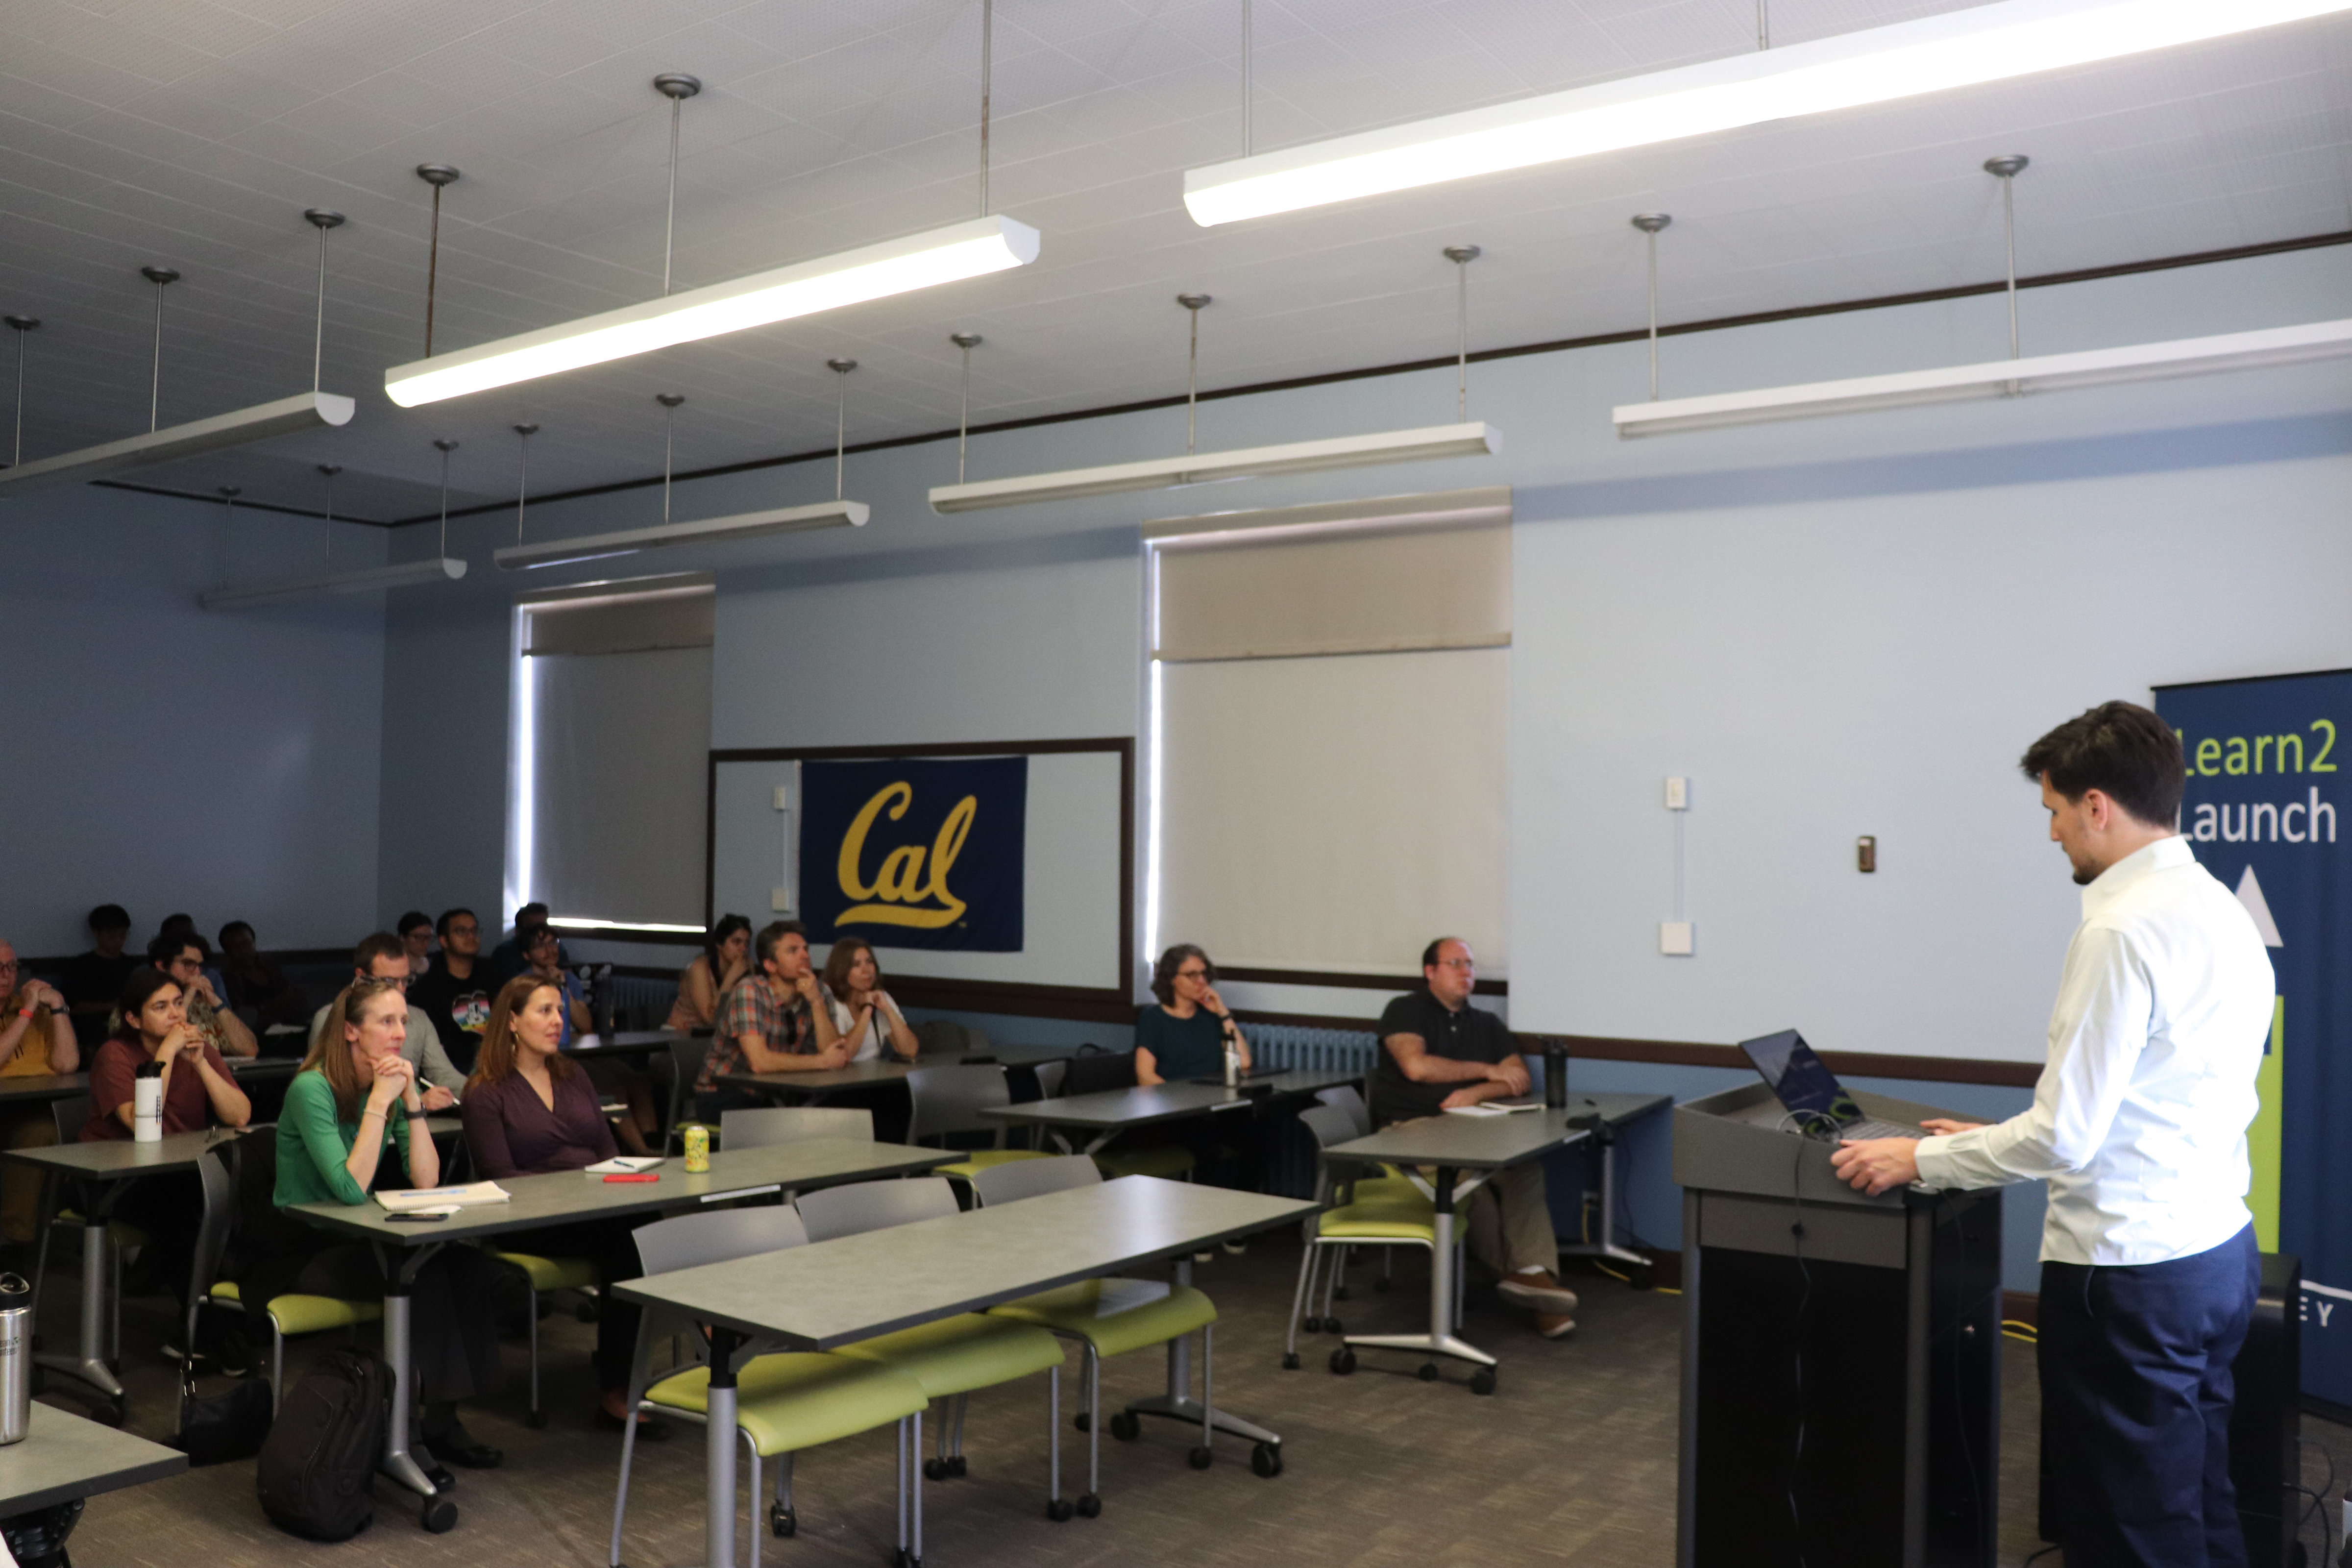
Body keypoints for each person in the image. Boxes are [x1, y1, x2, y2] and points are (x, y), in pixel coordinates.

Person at [1832, 702, 2274, 1568]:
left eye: (2056, 811)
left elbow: (2068, 1137)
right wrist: (2004, 1135)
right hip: (2217, 1256)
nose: (2053, 833)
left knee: (2131, 1526)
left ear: (2097, 806)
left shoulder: (2118, 930)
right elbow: (2149, 1098)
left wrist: (1921, 1158)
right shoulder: (2218, 907)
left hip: (2129, 1276)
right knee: (2197, 1495)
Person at [251, 979, 504, 1472]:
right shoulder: (312, 1088)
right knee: (420, 1277)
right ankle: (405, 1438)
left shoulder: (386, 1082)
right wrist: (379, 1102)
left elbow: (426, 1179)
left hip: (361, 1234)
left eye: (403, 1021)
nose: (400, 1033)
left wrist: (410, 1098)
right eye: (387, 1021)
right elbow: (349, 1187)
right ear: (351, 1030)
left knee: (465, 1264)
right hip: (302, 1246)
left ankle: (443, 1420)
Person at [462, 976, 658, 1435]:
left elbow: (607, 1151)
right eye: (544, 1011)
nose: (557, 1022)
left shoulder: (574, 1075)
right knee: (632, 1239)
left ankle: (653, 1360)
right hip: (529, 1218)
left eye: (560, 1011)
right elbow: (499, 1177)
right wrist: (579, 1190)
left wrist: (619, 1180)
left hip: (594, 1209)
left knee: (647, 1228)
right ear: (512, 1021)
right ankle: (618, 1389)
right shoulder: (486, 1091)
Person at [1374, 937, 1578, 1338]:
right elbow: (1417, 1068)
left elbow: (1518, 1078)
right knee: (1473, 1186)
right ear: (1430, 971)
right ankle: (1537, 1291)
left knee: (1525, 1170)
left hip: (1474, 1128)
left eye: (1470, 965)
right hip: (1413, 1130)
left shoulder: (1487, 1024)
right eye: (1455, 964)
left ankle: (1532, 1277)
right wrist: (1487, 1071)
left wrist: (1476, 1092)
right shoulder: (1405, 1010)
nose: (1466, 972)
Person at [83, 969, 252, 1320]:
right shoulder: (115, 1054)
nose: (176, 1014)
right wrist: (168, 1051)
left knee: (236, 1196)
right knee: (178, 1210)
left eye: (178, 1003)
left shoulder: (198, 1047)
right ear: (133, 1019)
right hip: (113, 1179)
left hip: (176, 1169)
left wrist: (201, 1063)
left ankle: (231, 1310)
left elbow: (239, 1115)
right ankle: (204, 1324)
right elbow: (144, 1121)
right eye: (160, 1007)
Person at [693, 921, 848, 1121]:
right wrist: (822, 1061)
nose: (805, 956)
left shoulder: (819, 991)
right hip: (724, 1091)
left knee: (842, 1108)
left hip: (777, 1092)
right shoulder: (750, 991)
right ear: (770, 965)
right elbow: (760, 1062)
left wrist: (816, 1002)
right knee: (787, 1122)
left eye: (805, 949)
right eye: (793, 951)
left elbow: (834, 1053)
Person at [522, 927, 657, 1155]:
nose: (550, 950)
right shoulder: (523, 984)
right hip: (551, 1057)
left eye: (553, 943)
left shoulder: (570, 979)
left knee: (638, 1081)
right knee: (614, 1088)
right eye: (540, 946)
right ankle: (642, 1152)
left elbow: (585, 1025)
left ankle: (655, 1143)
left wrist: (563, 988)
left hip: (582, 1051)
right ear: (527, 955)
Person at [308, 935, 464, 1110]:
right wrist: (417, 1103)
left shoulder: (419, 1018)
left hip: (409, 1118)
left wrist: (484, 1093)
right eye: (389, 981)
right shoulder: (332, 1017)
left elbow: (445, 1076)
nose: (400, 989)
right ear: (361, 977)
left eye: (405, 980)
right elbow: (328, 1089)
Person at [0, 941, 75, 1254]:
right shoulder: (28, 1010)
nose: (6, 976)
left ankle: (15, 1241)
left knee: (43, 1132)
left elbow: (66, 1064)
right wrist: (26, 1014)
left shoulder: (31, 1008)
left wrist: (57, 1005)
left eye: (11, 967)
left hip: (32, 1108)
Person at [1135, 944, 1248, 1085]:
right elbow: (1145, 1076)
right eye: (1192, 975)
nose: (1202, 981)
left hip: (1214, 1092)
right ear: (1172, 979)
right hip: (1173, 1094)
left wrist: (1223, 1013)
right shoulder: (1153, 1018)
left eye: (1204, 974)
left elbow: (1244, 1063)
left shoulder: (1212, 1016)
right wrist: (1177, 1095)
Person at [135, 932, 259, 1058]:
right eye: (189, 964)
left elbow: (250, 1050)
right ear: (162, 966)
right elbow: (162, 1048)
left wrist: (216, 1002)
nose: (197, 972)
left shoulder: (202, 1006)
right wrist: (187, 996)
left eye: (199, 965)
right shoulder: (143, 1005)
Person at [409, 908, 493, 1073]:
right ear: (444, 941)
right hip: (450, 1068)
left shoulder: (491, 974)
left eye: (474, 930)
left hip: (492, 1059)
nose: (471, 936)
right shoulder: (428, 988)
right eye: (461, 931)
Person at [818, 939, 919, 1064]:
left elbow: (910, 1050)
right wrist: (867, 1010)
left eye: (869, 962)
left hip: (870, 1074)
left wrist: (888, 1010)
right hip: (839, 1075)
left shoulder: (881, 997)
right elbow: (844, 1055)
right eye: (856, 965)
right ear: (841, 971)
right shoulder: (833, 1003)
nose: (866, 970)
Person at [58, 904, 139, 1034]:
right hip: (89, 1031)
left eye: (123, 935)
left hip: (128, 1028)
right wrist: (111, 1007)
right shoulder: (79, 967)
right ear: (96, 934)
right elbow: (70, 1006)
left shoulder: (133, 967)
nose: (119, 940)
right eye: (112, 936)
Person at [666, 914, 750, 1034]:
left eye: (746, 944)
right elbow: (711, 1020)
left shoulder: (745, 967)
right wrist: (730, 978)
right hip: (682, 1034)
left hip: (716, 1036)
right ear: (719, 944)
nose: (743, 949)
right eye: (737, 942)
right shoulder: (699, 968)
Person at [218, 921, 308, 1029]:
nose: (243, 951)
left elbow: (295, 996)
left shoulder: (271, 968)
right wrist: (270, 1008)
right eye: (235, 947)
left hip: (291, 1026)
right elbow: (238, 1018)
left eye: (247, 944)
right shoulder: (227, 980)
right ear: (227, 951)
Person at [484, 904, 560, 993]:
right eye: (534, 928)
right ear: (518, 931)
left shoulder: (559, 949)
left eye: (544, 925)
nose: (549, 950)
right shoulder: (505, 952)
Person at [397, 911, 436, 978]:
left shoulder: (435, 966)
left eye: (429, 938)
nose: (426, 943)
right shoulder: (391, 965)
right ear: (403, 938)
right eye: (419, 938)